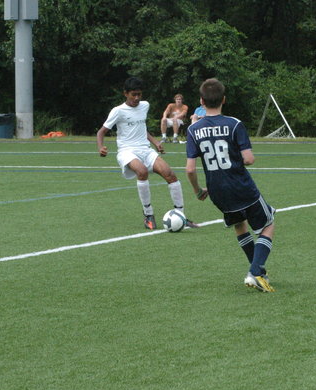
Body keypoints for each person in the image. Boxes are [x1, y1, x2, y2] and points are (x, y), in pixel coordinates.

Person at [185, 78, 276, 292]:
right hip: (241, 186)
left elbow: (190, 169)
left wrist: (198, 191)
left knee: (239, 225)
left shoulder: (193, 129)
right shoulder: (234, 124)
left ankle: (258, 271)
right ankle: (255, 271)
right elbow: (249, 159)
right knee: (268, 223)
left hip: (217, 191)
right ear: (224, 100)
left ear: (201, 101)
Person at [97, 77, 198, 230]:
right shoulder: (118, 111)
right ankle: (148, 215)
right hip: (127, 151)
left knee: (170, 175)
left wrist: (155, 142)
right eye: (133, 94)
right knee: (142, 171)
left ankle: (181, 215)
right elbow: (101, 132)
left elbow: (142, 127)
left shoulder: (145, 106)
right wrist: (101, 147)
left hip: (146, 150)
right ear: (125, 93)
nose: (137, 98)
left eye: (139, 94)